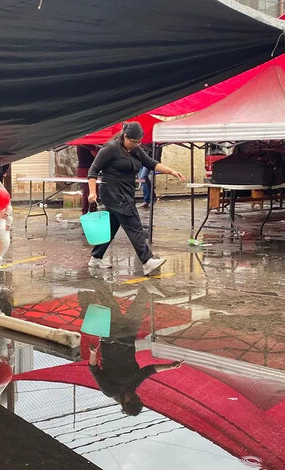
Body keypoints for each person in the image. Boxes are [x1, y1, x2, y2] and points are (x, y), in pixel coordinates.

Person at [87, 122, 185, 276]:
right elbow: (92, 171)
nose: (136, 145)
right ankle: (147, 261)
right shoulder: (111, 148)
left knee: (112, 225)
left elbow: (151, 163)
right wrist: (92, 192)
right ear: (125, 136)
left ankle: (96, 257)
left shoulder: (136, 150)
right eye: (133, 142)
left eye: (138, 142)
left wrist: (171, 171)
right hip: (113, 192)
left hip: (126, 191)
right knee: (133, 223)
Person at [86, 285, 182, 416]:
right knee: (136, 312)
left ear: (124, 402)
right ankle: (147, 286)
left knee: (112, 308)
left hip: (111, 340)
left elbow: (94, 369)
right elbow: (149, 370)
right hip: (128, 340)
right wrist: (170, 366)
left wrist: (93, 353)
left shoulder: (110, 390)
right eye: (137, 397)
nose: (135, 395)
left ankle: (98, 282)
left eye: (132, 398)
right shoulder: (133, 385)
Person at [77, 145, 99, 214]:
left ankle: (86, 213)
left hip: (85, 168)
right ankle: (91, 212)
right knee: (90, 192)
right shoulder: (88, 144)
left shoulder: (83, 143)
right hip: (86, 169)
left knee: (86, 192)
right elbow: (95, 154)